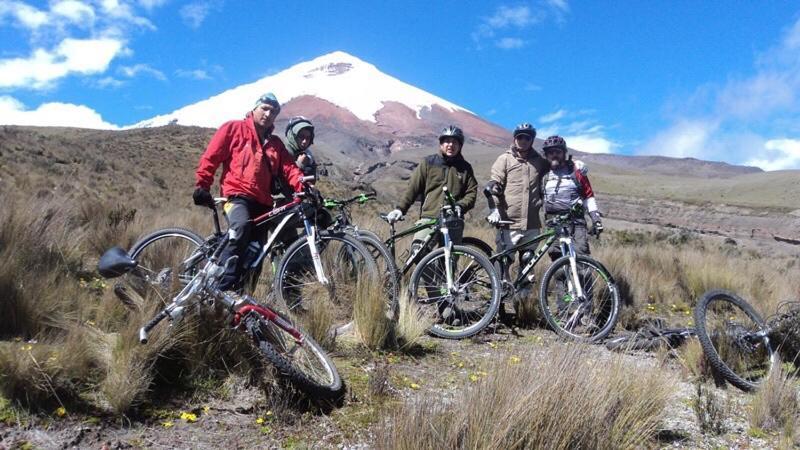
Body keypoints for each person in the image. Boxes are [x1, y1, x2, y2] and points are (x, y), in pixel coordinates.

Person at [193, 92, 306, 291]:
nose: (268, 114)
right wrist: (202, 184)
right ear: (254, 108)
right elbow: (212, 156)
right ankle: (219, 287)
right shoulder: (234, 128)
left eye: (273, 111)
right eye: (265, 108)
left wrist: (303, 185)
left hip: (262, 204)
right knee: (240, 227)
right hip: (236, 196)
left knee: (257, 255)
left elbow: (289, 169)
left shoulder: (276, 144)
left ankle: (243, 303)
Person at [385, 126, 478, 252]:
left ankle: (442, 272)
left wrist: (460, 206)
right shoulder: (428, 163)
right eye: (447, 141)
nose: (451, 145)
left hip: (453, 220)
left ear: (460, 145)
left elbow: (471, 192)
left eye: (455, 142)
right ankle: (424, 272)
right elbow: (413, 187)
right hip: (429, 217)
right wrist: (400, 209)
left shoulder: (465, 168)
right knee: (418, 251)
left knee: (449, 261)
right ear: (441, 144)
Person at [540, 135, 603, 257]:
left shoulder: (576, 171)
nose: (554, 155)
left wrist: (596, 219)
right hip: (553, 224)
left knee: (581, 258)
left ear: (564, 153)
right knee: (557, 261)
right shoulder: (543, 174)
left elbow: (588, 196)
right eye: (550, 152)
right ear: (546, 155)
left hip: (576, 223)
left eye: (558, 152)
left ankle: (581, 276)